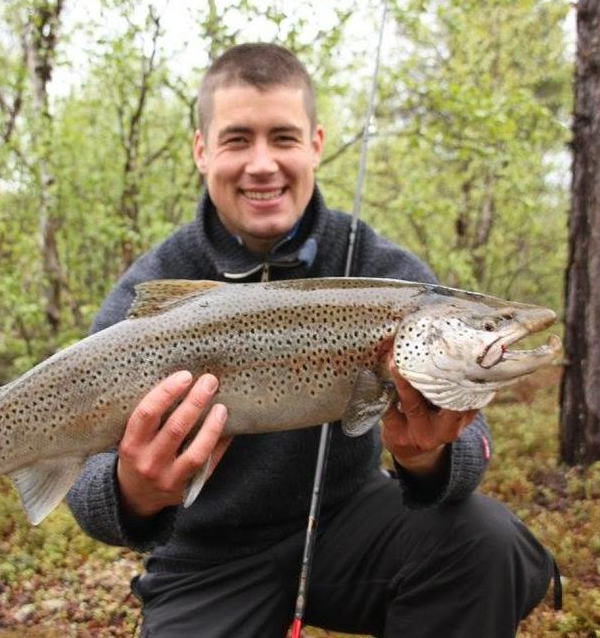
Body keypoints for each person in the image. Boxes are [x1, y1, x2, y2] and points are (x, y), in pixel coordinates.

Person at [66, 42, 554, 637]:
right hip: (204, 560)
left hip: (348, 525)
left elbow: (471, 438)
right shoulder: (153, 283)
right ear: (201, 150)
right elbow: (85, 484)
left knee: (486, 543)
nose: (263, 163)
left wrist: (429, 455)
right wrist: (133, 490)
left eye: (285, 138)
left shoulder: (378, 266)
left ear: (316, 144)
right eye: (238, 139)